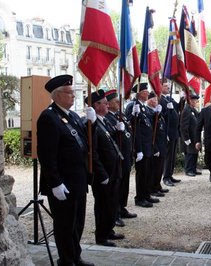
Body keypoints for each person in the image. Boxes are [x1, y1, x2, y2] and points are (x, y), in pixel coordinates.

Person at [37, 75, 95, 266]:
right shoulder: (48, 117)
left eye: (73, 93)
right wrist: (54, 183)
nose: (73, 97)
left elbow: (84, 144)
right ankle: (67, 260)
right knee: (64, 224)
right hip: (63, 182)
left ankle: (75, 256)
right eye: (69, 93)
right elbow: (46, 155)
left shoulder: (73, 116)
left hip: (78, 180)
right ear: (57, 95)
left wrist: (92, 125)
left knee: (77, 223)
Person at [87, 90, 125, 246]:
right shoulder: (92, 124)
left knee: (111, 204)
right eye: (104, 102)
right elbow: (93, 152)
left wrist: (120, 131)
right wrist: (101, 174)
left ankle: (109, 230)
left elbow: (111, 141)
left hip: (113, 170)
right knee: (103, 205)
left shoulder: (104, 121)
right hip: (103, 173)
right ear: (96, 105)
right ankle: (101, 236)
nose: (107, 104)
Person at [104, 89, 137, 227]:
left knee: (124, 185)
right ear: (109, 103)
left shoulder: (120, 115)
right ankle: (115, 212)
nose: (118, 102)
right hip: (117, 157)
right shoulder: (107, 117)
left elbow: (129, 132)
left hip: (126, 155)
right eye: (115, 101)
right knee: (117, 186)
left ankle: (122, 207)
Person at [125, 82, 159, 207]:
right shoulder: (132, 106)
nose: (148, 93)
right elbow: (130, 126)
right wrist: (133, 115)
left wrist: (156, 113)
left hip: (147, 145)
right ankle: (139, 198)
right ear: (140, 93)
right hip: (140, 146)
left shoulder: (143, 107)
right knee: (142, 173)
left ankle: (146, 194)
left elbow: (149, 124)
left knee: (147, 172)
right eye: (146, 91)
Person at [159, 81, 181, 187]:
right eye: (165, 86)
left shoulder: (169, 98)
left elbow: (178, 106)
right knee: (168, 155)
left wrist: (183, 98)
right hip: (167, 131)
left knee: (172, 155)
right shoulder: (160, 99)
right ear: (160, 87)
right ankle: (166, 177)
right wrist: (168, 109)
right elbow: (161, 116)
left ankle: (170, 174)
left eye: (168, 86)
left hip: (174, 131)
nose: (168, 88)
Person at [146, 92, 167, 197]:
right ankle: (153, 188)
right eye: (154, 100)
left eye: (157, 100)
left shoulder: (157, 111)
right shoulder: (149, 112)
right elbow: (151, 131)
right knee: (154, 168)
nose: (156, 102)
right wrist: (155, 148)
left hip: (161, 142)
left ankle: (157, 186)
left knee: (160, 168)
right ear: (149, 101)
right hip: (156, 144)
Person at [180, 93, 200, 177]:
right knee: (189, 153)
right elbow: (183, 126)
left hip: (194, 136)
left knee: (195, 153)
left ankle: (193, 168)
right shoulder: (186, 110)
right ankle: (188, 170)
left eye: (196, 100)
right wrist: (186, 138)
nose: (195, 102)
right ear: (190, 101)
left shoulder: (193, 109)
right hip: (189, 136)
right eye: (194, 100)